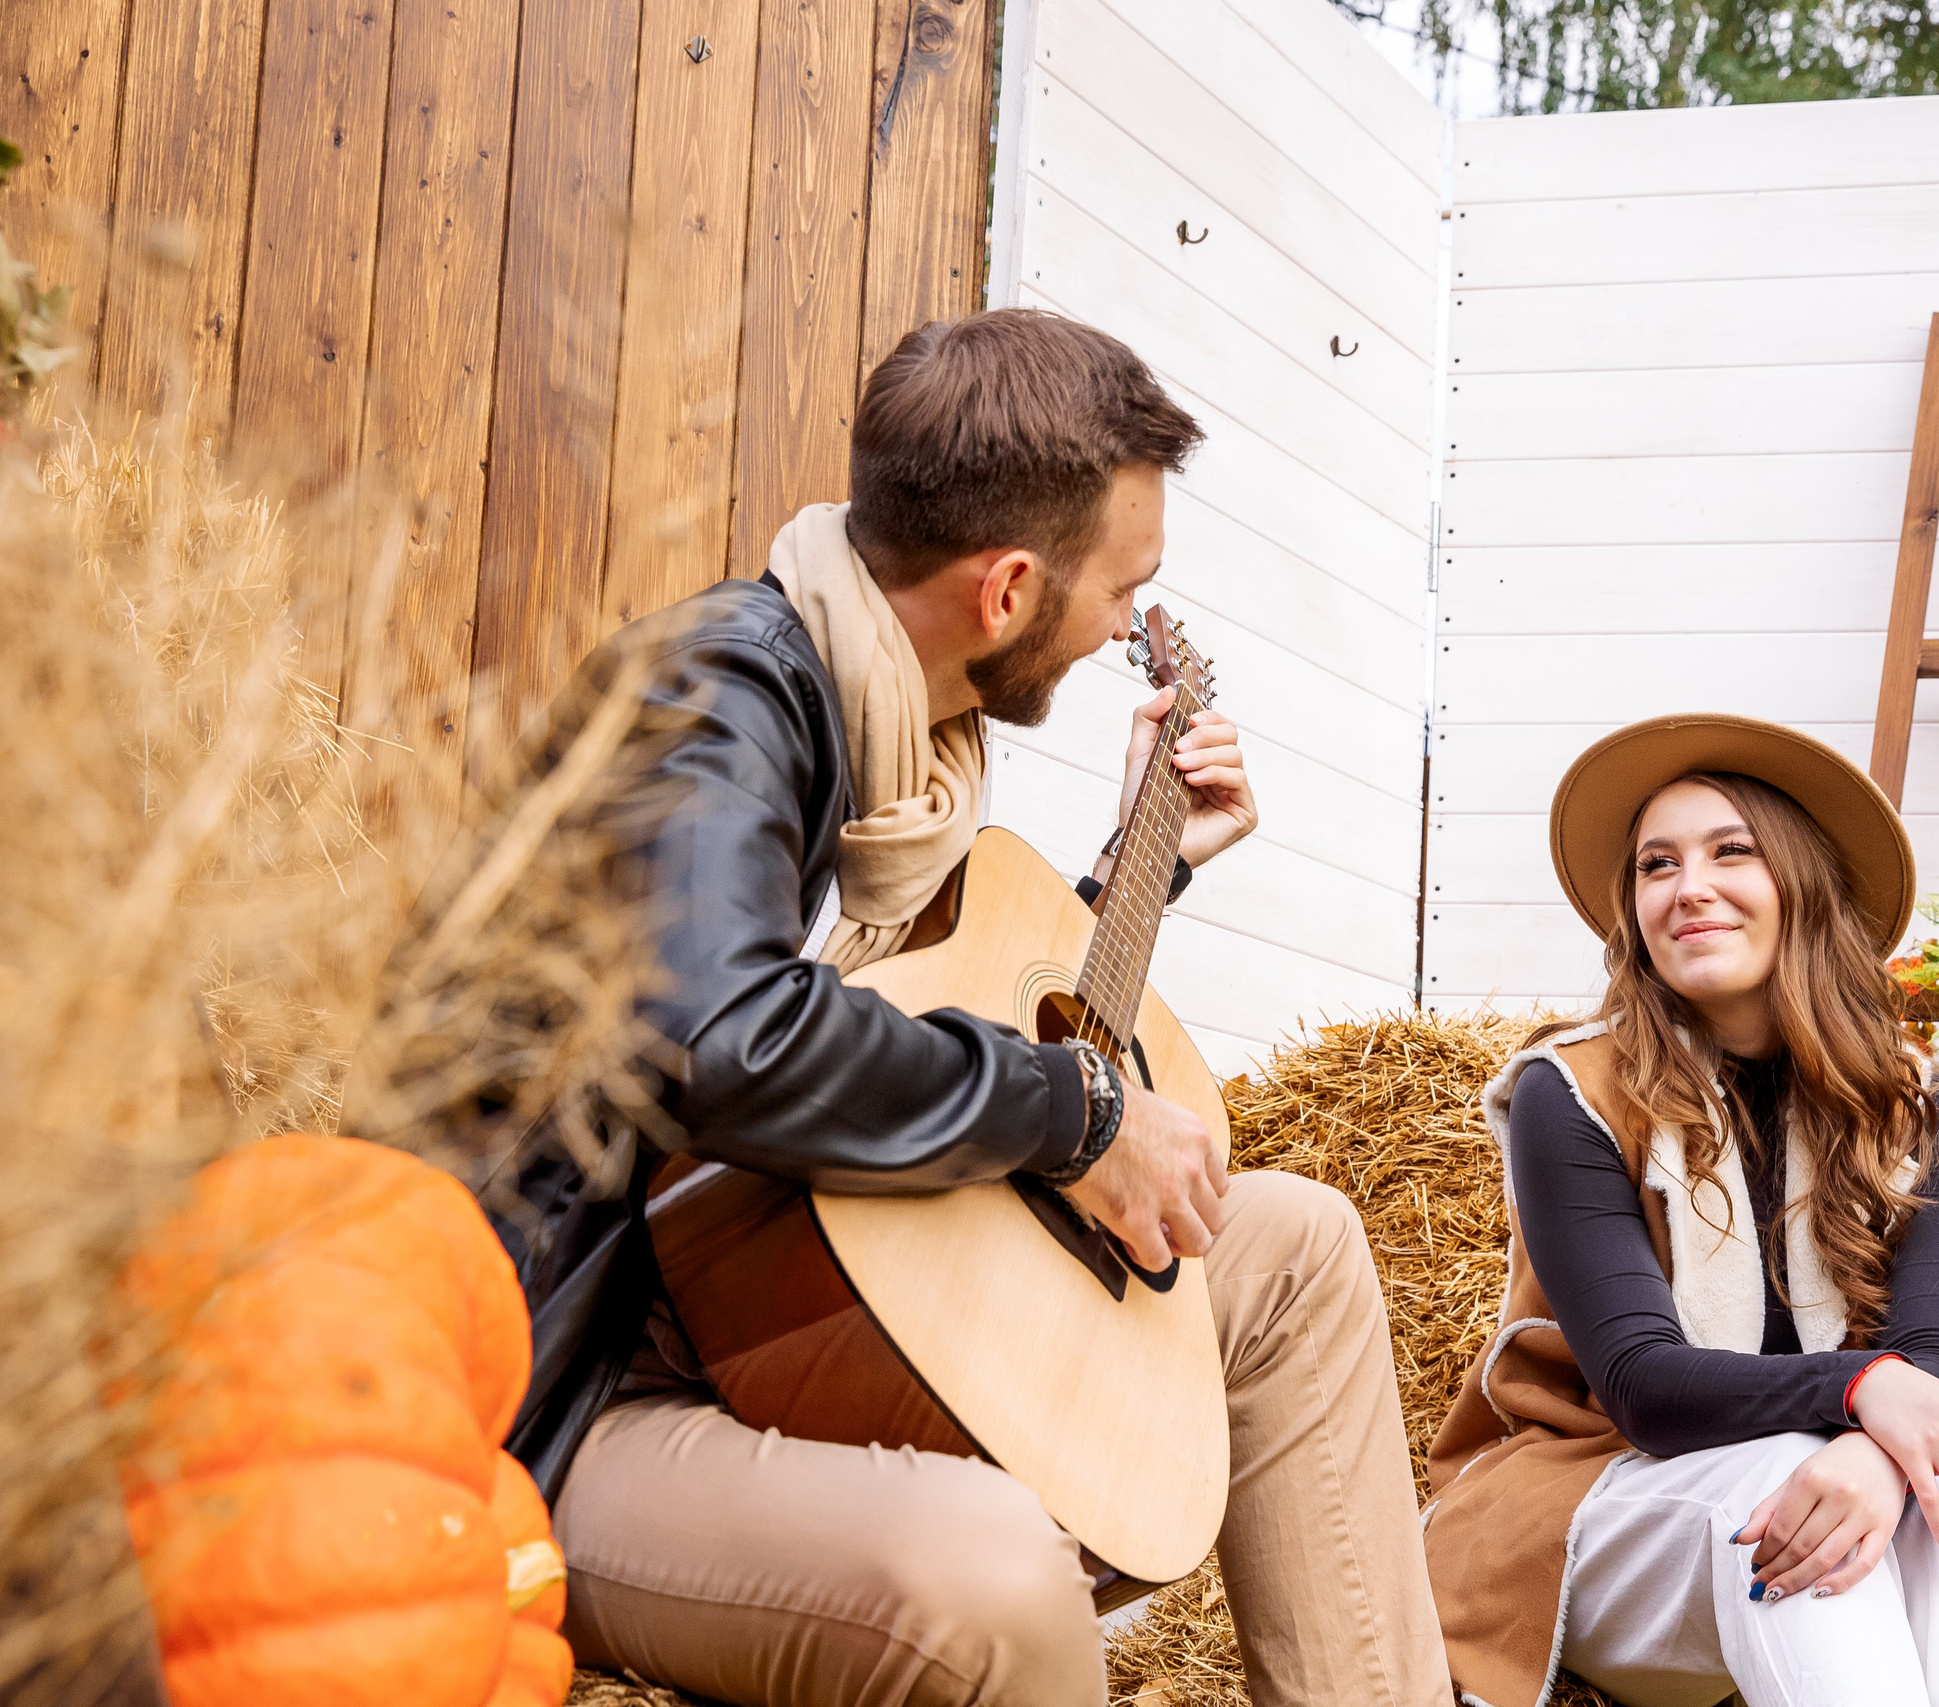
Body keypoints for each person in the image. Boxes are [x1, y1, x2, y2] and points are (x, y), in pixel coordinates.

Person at [481, 309, 1449, 1707]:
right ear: (1005, 591)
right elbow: (722, 1037)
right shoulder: (713, 701)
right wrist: (1077, 1113)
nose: (1128, 625)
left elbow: (907, 1008)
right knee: (998, 1571)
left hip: (777, 1305)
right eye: (1124, 589)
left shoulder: (903, 760)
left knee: (1293, 1241)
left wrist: (1133, 876)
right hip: (591, 1394)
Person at [1421, 714, 1939, 1707]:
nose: (1688, 885)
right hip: (1588, 1507)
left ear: (1800, 885)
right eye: (1657, 865)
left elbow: (1934, 1362)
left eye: (1728, 852)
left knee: (1935, 1504)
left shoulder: (1918, 1107)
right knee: (1804, 1478)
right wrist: (1867, 1395)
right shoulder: (1566, 1093)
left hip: (1798, 1498)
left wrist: (1878, 1457)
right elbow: (1642, 1387)